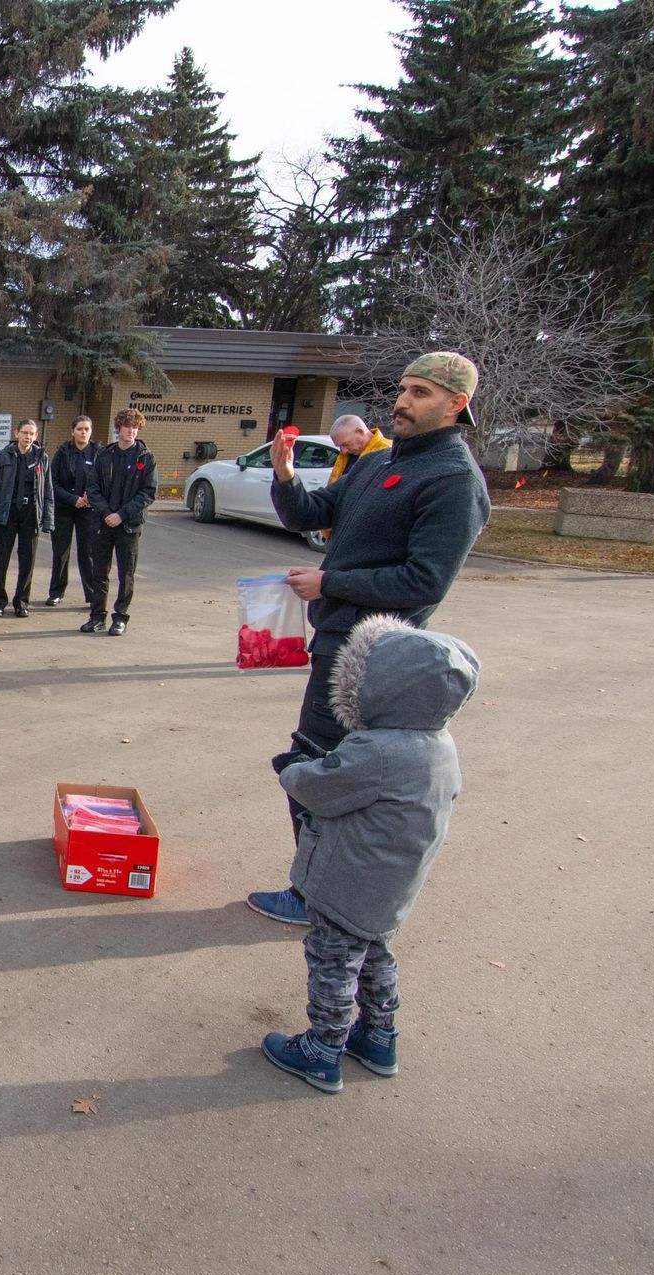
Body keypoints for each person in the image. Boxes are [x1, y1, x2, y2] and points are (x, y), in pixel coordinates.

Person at [247, 351, 494, 927]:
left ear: (456, 405)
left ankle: (316, 898)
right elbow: (310, 513)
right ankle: (319, 890)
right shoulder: (377, 462)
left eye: (420, 393)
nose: (402, 402)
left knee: (324, 771)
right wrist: (284, 474)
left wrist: (330, 582)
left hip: (376, 659)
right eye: (403, 389)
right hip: (336, 640)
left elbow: (424, 581)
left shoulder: (454, 479)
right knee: (316, 764)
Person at [261, 616, 479, 1093]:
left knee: (332, 963)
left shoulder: (375, 749)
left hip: (347, 881)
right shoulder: (440, 745)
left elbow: (321, 789)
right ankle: (379, 1037)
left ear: (383, 689)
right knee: (376, 955)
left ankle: (323, 1050)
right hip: (393, 886)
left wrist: (295, 768)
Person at [80, 408, 156, 637]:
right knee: (99, 572)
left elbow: (148, 492)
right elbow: (92, 487)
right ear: (118, 428)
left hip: (129, 525)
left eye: (135, 427)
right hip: (103, 523)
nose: (131, 431)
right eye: (127, 426)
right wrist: (106, 513)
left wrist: (121, 515)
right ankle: (97, 617)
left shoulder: (146, 458)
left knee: (126, 574)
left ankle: (120, 617)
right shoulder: (105, 455)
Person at [0, 418, 51, 617]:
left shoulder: (41, 457)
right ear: (16, 433)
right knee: (1, 560)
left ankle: (22, 602)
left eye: (32, 433)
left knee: (27, 561)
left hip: (30, 514)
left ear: (36, 436)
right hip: (7, 513)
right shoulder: (3, 456)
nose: (28, 437)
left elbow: (47, 490)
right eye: (24, 433)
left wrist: (47, 519)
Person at [45, 415, 100, 607]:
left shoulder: (98, 454)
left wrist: (89, 497)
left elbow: (103, 481)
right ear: (72, 431)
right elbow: (53, 482)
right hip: (64, 509)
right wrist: (72, 499)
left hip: (88, 510)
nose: (83, 432)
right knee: (60, 552)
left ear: (91, 432)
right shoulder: (62, 453)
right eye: (79, 429)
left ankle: (92, 596)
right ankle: (56, 592)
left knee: (88, 553)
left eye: (86, 429)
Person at [321, 414, 392, 543]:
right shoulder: (349, 453)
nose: (343, 451)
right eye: (340, 446)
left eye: (345, 444)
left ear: (360, 432)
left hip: (361, 535)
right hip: (339, 530)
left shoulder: (387, 453)